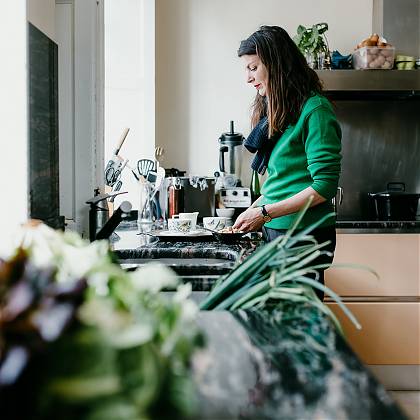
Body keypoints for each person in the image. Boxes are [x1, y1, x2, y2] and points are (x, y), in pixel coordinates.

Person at [233, 25, 342, 297]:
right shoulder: (280, 111)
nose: (248, 78)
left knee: (298, 322)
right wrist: (254, 211)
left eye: (253, 68)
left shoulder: (315, 110)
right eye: (246, 69)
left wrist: (265, 212)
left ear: (276, 64)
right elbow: (283, 180)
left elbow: (323, 186)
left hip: (303, 236)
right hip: (277, 231)